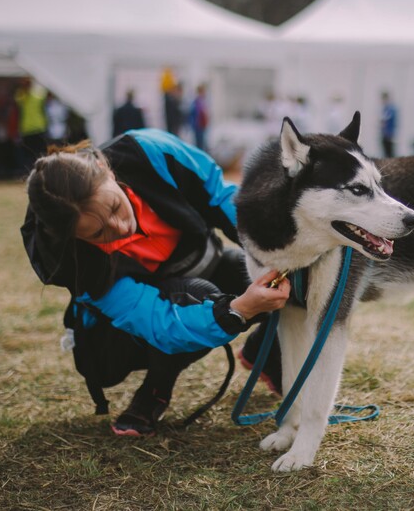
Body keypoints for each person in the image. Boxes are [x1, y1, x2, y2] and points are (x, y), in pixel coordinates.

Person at [21, 128, 290, 436]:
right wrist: (239, 310)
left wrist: (271, 251)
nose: (120, 227)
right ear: (73, 238)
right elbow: (158, 321)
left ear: (104, 169)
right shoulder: (75, 262)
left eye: (114, 207)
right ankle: (155, 390)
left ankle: (264, 352)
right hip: (134, 326)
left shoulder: (150, 150)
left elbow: (221, 196)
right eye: (98, 234)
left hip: (204, 263)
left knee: (288, 279)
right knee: (195, 297)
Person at [15, 78, 49, 171]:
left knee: (40, 153)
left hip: (38, 128)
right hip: (27, 129)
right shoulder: (22, 95)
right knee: (29, 154)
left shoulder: (36, 95)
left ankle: (41, 170)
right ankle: (32, 171)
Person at [189, 83, 210, 151]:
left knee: (202, 143)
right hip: (198, 126)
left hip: (202, 126)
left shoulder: (203, 101)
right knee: (199, 144)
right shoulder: (196, 102)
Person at [380, 91, 398, 158]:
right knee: (386, 151)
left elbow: (385, 120)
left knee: (390, 152)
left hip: (389, 134)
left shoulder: (391, 109)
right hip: (385, 134)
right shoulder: (384, 109)